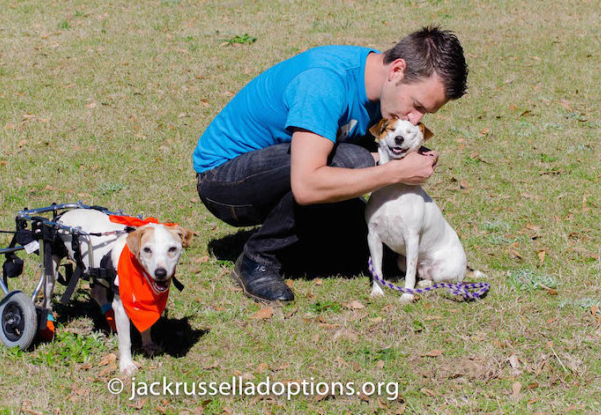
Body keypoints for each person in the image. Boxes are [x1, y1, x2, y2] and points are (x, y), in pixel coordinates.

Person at [192, 26, 468, 302]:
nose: (414, 118)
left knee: (368, 246)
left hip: (285, 167)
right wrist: (394, 170)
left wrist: (414, 153)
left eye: (424, 113)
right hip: (223, 181)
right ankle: (258, 258)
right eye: (416, 105)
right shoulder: (324, 83)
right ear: (396, 70)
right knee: (355, 162)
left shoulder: (381, 89)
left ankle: (304, 243)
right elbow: (307, 185)